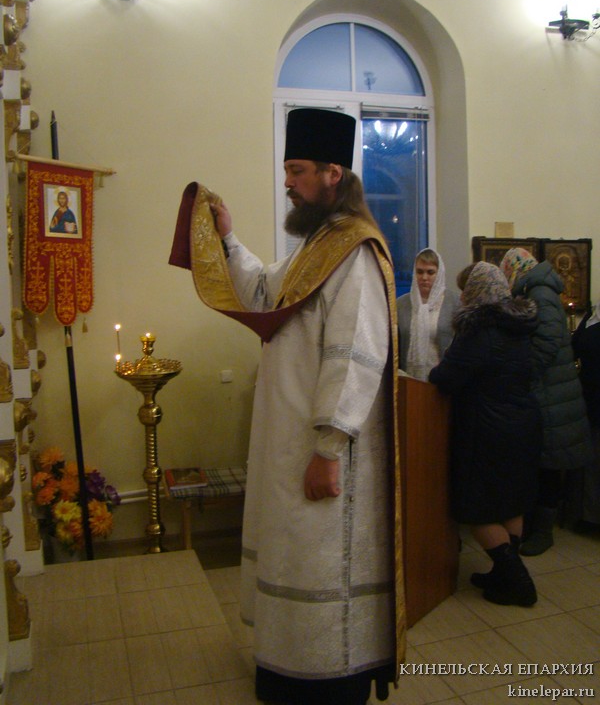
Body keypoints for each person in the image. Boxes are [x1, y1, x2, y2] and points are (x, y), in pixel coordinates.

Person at [169, 108, 404, 705]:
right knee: (295, 557)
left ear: (332, 173)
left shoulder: (355, 252)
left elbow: (355, 356)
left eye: (296, 170)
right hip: (290, 440)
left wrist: (329, 447)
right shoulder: (317, 246)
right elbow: (263, 291)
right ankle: (285, 668)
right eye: (287, 170)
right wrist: (227, 237)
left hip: (326, 452)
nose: (287, 182)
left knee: (324, 567)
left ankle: (331, 676)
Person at [429, 261, 541, 607]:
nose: (462, 296)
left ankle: (518, 581)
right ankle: (502, 573)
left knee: (477, 509)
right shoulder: (519, 326)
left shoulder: (478, 330)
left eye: (467, 290)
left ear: (477, 292)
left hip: (487, 430)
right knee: (510, 501)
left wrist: (437, 369)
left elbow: (445, 378)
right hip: (522, 425)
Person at [500, 247, 592, 555]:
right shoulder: (537, 289)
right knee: (543, 461)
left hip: (552, 393)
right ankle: (533, 526)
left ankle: (543, 531)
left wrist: (524, 372)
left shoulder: (539, 292)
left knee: (550, 463)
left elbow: (549, 341)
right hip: (550, 391)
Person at [396, 248, 459, 379]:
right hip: (409, 378)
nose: (424, 278)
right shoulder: (401, 304)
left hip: (443, 379)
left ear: (439, 273)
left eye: (430, 272)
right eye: (419, 272)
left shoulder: (454, 303)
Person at [571, 297, 600, 525]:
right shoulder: (592, 316)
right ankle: (590, 516)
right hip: (592, 399)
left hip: (593, 398)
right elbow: (575, 347)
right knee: (592, 462)